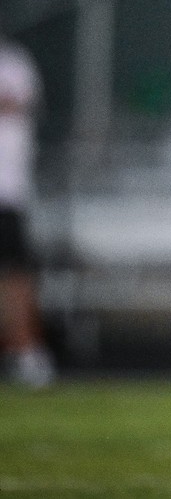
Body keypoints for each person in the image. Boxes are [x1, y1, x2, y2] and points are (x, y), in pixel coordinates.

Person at [0, 28, 56, 388]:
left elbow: (16, 101)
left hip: (7, 191)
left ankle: (24, 350)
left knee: (16, 276)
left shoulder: (12, 61)